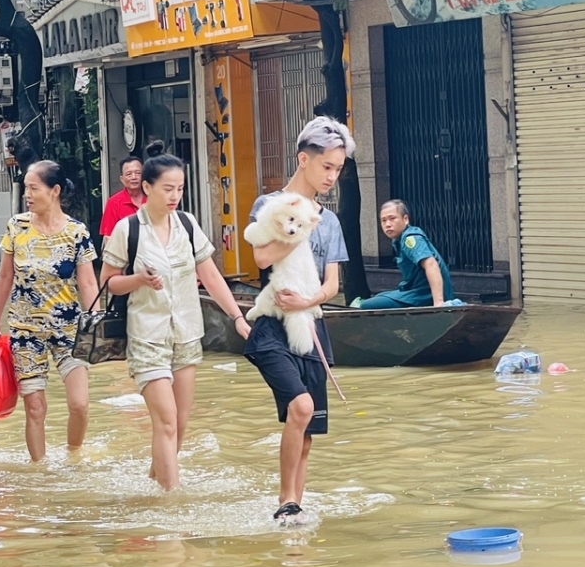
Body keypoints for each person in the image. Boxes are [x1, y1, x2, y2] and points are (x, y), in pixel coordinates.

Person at [101, 153, 249, 490]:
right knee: (166, 422)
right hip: (147, 336)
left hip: (185, 334)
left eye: (179, 189)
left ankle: (154, 484)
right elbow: (108, 282)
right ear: (148, 187)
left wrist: (237, 317)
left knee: (180, 424)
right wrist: (138, 279)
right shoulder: (128, 229)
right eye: (168, 188)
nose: (174, 196)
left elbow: (210, 275)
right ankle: (172, 502)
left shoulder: (187, 224)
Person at [245, 117, 352, 522]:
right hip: (272, 324)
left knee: (305, 429)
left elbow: (332, 285)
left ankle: (295, 507)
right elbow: (261, 258)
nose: (332, 176)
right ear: (302, 159)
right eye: (326, 166)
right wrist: (301, 225)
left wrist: (309, 298)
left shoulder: (332, 220)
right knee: (302, 406)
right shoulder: (272, 206)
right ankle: (284, 500)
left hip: (311, 324)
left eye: (338, 169)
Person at [0, 160, 99, 462]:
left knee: (79, 405)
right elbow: (5, 276)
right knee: (35, 408)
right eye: (26, 187)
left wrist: (96, 324)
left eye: (33, 187)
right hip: (26, 330)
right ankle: (39, 470)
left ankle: (73, 455)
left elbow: (88, 282)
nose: (27, 193)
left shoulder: (77, 232)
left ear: (55, 191)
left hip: (70, 329)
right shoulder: (17, 226)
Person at [352, 200, 456, 308]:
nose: (387, 224)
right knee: (379, 296)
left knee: (368, 305)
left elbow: (431, 264)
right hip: (415, 291)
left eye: (392, 218)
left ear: (405, 219)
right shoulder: (398, 240)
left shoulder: (410, 239)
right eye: (383, 220)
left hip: (425, 295)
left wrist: (438, 303)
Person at [99, 156, 145, 236]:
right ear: (122, 179)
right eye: (129, 174)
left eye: (138, 173)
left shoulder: (154, 198)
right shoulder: (113, 203)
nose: (134, 177)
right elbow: (108, 237)